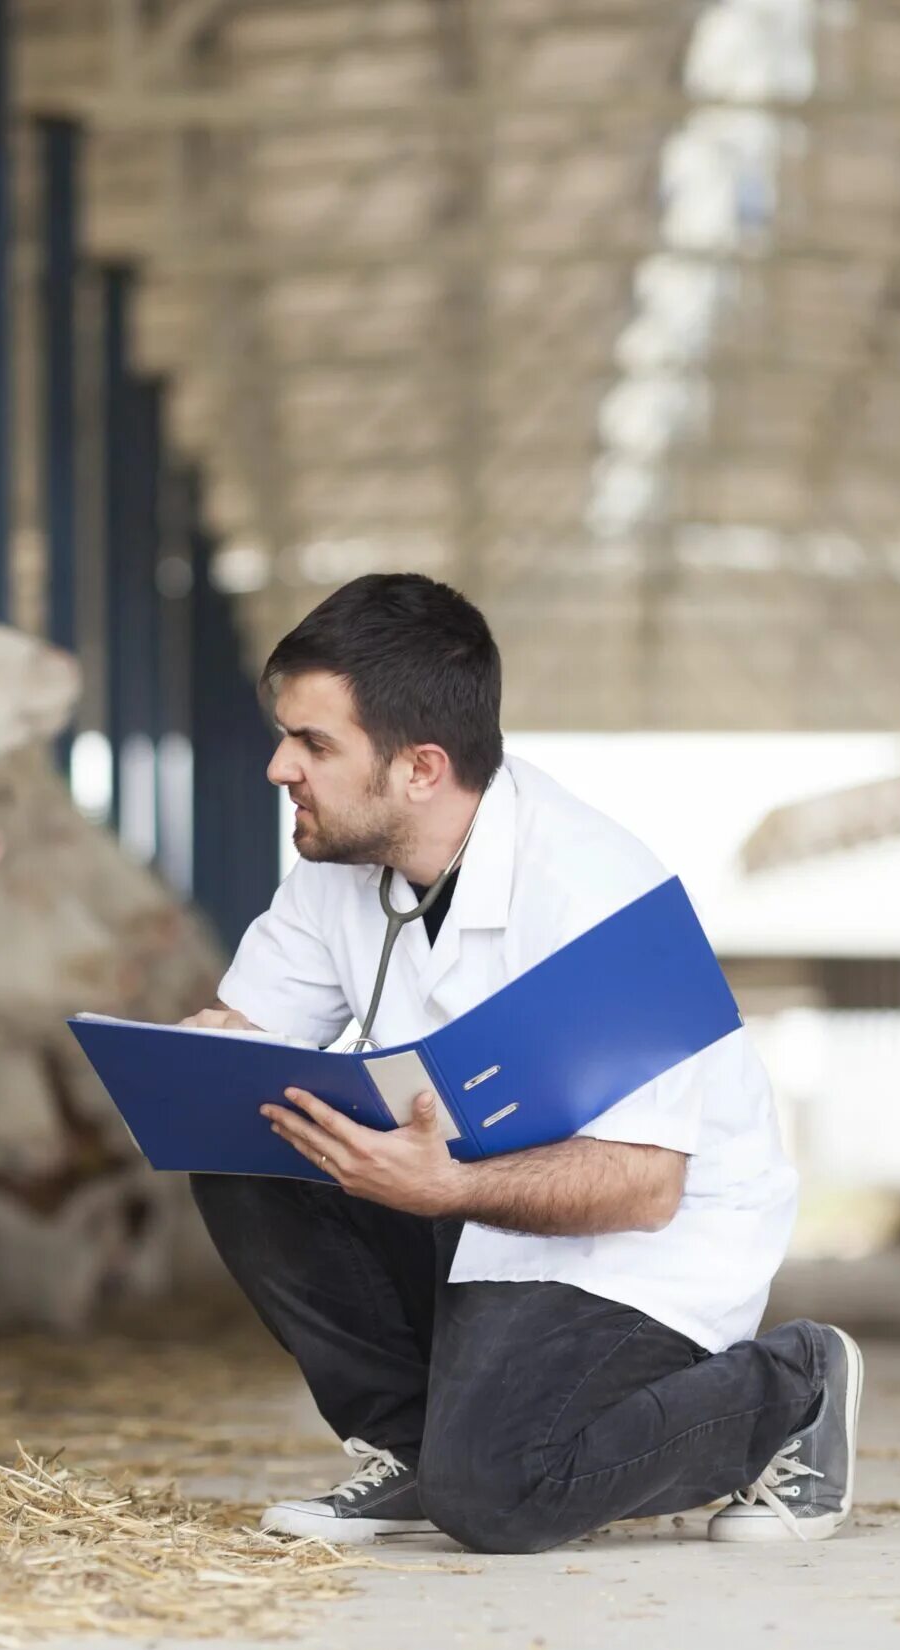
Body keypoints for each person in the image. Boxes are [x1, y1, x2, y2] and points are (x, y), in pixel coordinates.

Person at [181, 572, 861, 1554]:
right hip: (458, 1194)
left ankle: (790, 1388)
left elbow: (643, 1187)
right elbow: (245, 1034)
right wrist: (202, 1060)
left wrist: (441, 1185)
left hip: (636, 1245)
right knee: (242, 1142)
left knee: (501, 1495)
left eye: (313, 744)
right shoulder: (337, 868)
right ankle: (411, 1444)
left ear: (420, 768)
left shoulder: (595, 894)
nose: (278, 768)